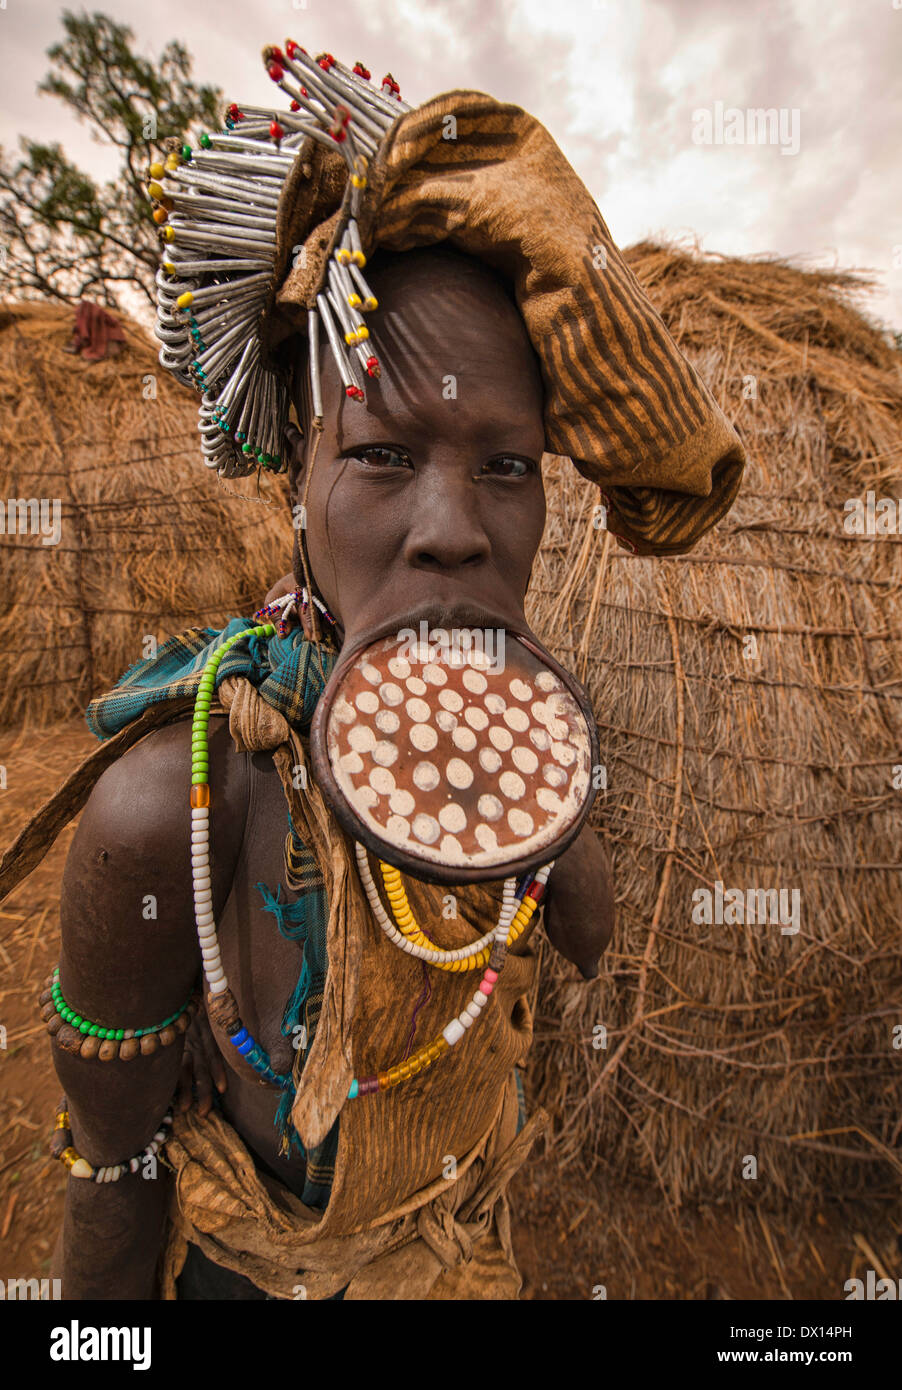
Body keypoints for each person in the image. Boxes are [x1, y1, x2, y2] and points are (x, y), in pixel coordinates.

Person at [12, 46, 745, 1300]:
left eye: (507, 468)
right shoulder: (173, 811)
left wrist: (526, 778)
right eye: (384, 454)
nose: (454, 526)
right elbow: (111, 1186)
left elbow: (583, 936)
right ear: (299, 477)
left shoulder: (524, 744)